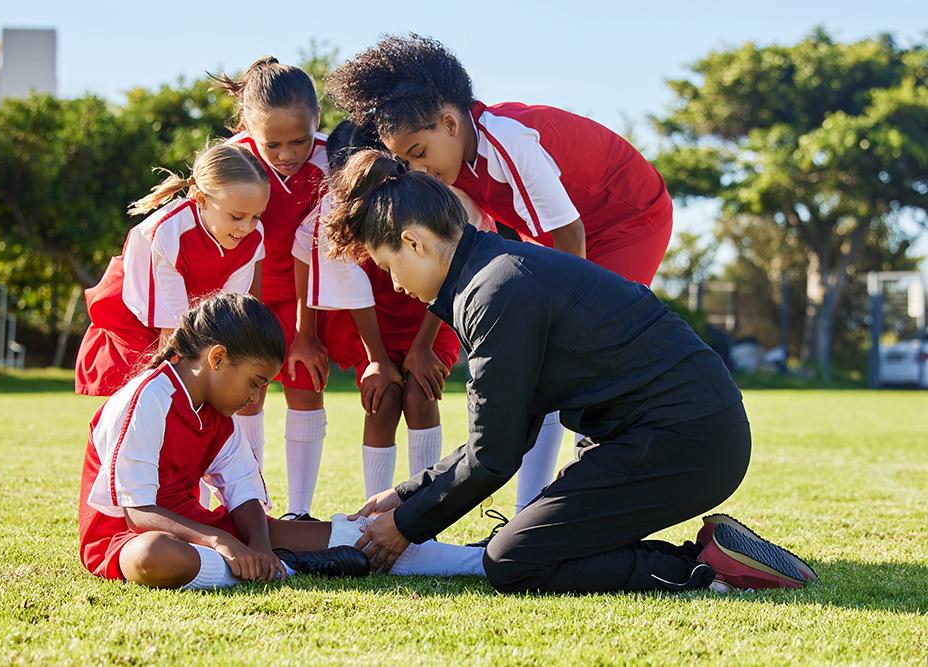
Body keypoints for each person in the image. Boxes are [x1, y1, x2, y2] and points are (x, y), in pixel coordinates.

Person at [325, 150, 818, 594]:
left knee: (512, 561)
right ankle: (719, 552)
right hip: (662, 431)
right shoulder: (494, 271)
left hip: (686, 438)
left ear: (414, 243)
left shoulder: (495, 290)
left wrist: (406, 524)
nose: (393, 284)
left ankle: (707, 567)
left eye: (386, 265)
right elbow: (502, 436)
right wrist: (405, 494)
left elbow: (494, 455)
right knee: (530, 539)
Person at [326, 34, 676, 518]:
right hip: (564, 232)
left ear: (450, 123)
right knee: (538, 364)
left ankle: (569, 492)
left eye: (418, 151)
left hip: (625, 218)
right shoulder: (453, 168)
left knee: (573, 355)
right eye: (403, 161)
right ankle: (530, 507)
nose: (415, 169)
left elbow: (569, 235)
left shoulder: (507, 139)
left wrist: (561, 322)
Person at [79, 293, 487, 590]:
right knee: (154, 557)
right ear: (217, 359)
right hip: (129, 537)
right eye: (254, 384)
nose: (255, 399)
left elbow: (242, 493)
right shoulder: (148, 398)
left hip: (204, 531)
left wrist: (258, 545)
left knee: (361, 535)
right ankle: (294, 567)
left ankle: (480, 561)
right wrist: (224, 542)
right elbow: (137, 513)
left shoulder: (219, 411)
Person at [293, 120, 461, 499]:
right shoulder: (333, 213)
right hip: (365, 321)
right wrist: (378, 360)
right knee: (382, 397)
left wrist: (421, 350)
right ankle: (375, 509)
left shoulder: (428, 196)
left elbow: (449, 271)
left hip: (430, 314)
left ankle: (422, 509)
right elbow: (342, 283)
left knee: (421, 390)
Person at [212, 57, 334, 520]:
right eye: (274, 144)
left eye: (299, 140)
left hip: (310, 294)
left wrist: (307, 332)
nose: (287, 154)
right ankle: (248, 503)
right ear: (247, 126)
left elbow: (319, 250)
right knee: (245, 391)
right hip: (243, 292)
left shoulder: (331, 159)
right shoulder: (231, 160)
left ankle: (299, 511)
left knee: (305, 382)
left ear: (317, 122)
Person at [74, 142, 268, 400]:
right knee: (145, 385)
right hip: (138, 306)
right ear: (201, 200)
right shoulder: (169, 230)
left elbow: (225, 309)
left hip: (191, 304)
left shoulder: (254, 239)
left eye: (256, 216)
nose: (247, 227)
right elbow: (172, 330)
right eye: (236, 216)